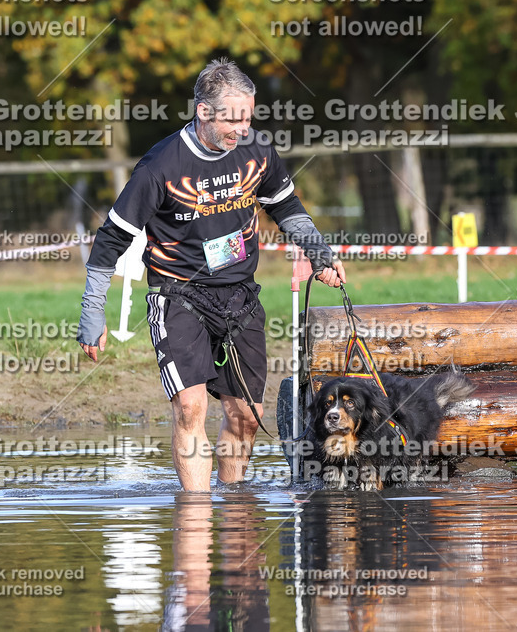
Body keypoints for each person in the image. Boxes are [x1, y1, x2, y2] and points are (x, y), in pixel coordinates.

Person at [77, 58, 345, 491]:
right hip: (178, 295)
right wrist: (93, 314)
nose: (243, 128)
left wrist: (320, 254)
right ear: (203, 111)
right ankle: (196, 524)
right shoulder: (160, 166)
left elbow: (286, 206)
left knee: (245, 418)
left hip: (240, 295)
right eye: (233, 118)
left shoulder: (257, 150)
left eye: (249, 117)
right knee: (191, 406)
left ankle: (236, 516)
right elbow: (110, 240)